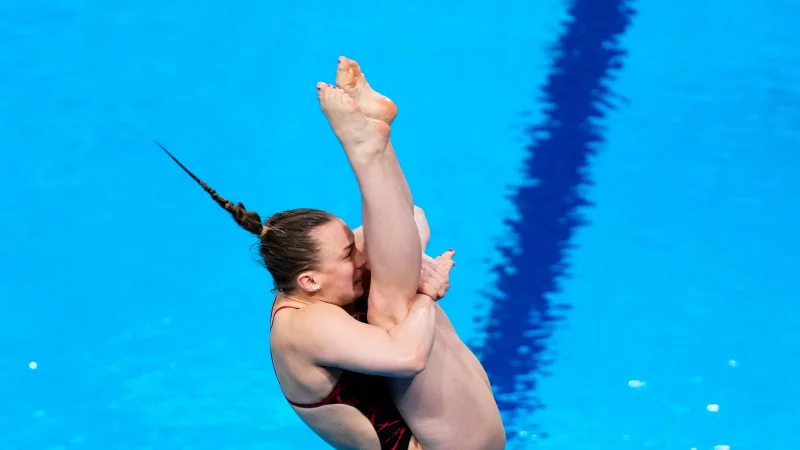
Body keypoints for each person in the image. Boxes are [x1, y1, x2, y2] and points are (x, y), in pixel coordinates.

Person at [331, 57, 506, 450]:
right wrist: (426, 294)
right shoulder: (303, 323)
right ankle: (366, 147)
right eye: (347, 256)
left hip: (467, 434)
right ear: (308, 280)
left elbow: (412, 221)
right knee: (394, 299)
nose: (359, 260)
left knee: (401, 256)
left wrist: (422, 280)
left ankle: (373, 141)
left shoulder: (325, 301)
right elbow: (408, 355)